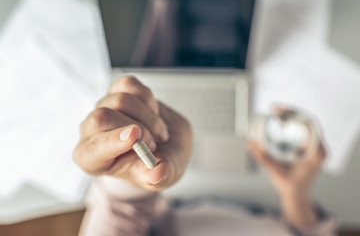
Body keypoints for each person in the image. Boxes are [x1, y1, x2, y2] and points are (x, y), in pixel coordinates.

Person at [73, 76, 337, 236]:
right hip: (264, 203)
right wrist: (296, 193)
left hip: (173, 197)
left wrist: (130, 173)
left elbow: (119, 216)